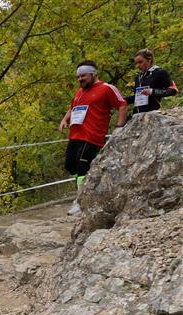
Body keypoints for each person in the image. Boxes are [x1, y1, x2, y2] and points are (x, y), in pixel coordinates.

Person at [58, 61, 128, 215]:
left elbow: (122, 105)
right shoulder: (79, 92)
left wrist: (119, 127)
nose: (80, 79)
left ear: (93, 73)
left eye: (83, 76)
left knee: (82, 167)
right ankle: (90, 189)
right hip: (75, 134)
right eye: (78, 77)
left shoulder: (106, 88)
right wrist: (65, 119)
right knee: (70, 166)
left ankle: (81, 201)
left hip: (92, 135)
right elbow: (72, 107)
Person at [125, 48, 178, 115]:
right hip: (136, 115)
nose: (138, 66)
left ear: (149, 60)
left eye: (140, 62)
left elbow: (173, 90)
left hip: (152, 114)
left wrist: (152, 91)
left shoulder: (159, 72)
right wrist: (122, 100)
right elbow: (138, 97)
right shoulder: (138, 77)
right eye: (136, 63)